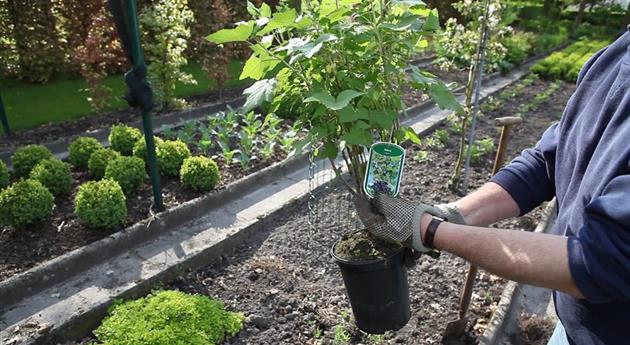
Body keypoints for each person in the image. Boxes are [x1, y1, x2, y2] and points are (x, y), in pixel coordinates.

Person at [355, 30, 630, 344]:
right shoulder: (617, 53)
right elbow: (549, 160)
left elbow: (600, 259)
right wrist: (451, 214)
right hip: (570, 327)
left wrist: (430, 230)